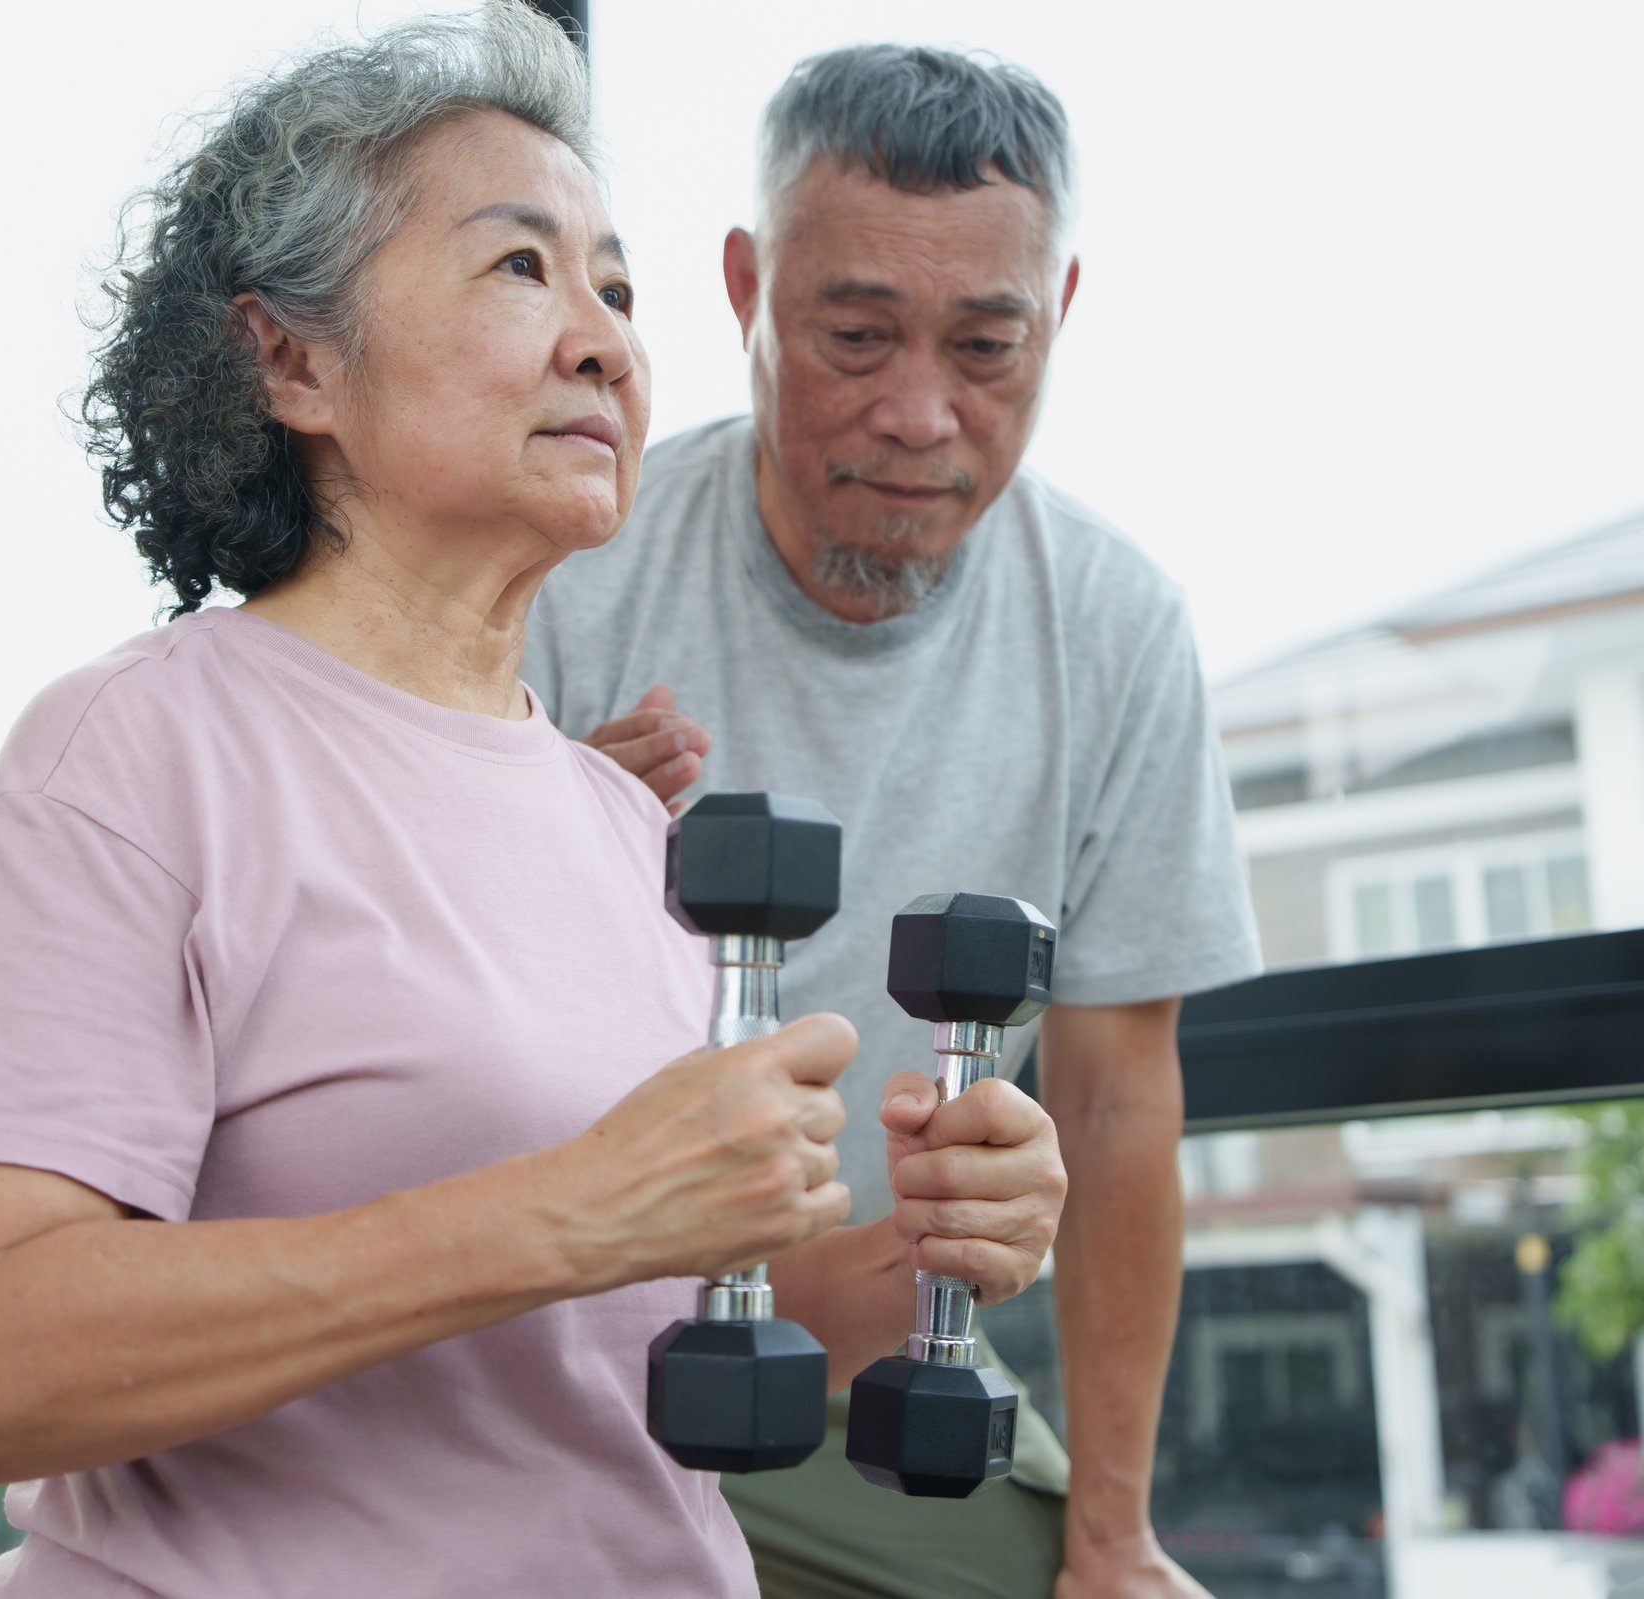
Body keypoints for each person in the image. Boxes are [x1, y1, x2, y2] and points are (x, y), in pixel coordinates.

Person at [0, 11, 1067, 1596]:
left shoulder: (629, 828)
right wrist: (563, 1211)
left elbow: (622, 1349)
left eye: (617, 292)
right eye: (520, 269)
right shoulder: (137, 752)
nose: (608, 344)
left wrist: (926, 1238)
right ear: (290, 358)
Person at [524, 41, 1263, 1599]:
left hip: (876, 1367)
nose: (921, 414)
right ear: (744, 292)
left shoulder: (1117, 629)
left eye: (988, 348)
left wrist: (1117, 1542)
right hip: (544, 1346)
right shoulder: (566, 568)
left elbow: (1122, 1106)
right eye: (854, 335)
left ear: (1059, 315)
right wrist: (539, 831)